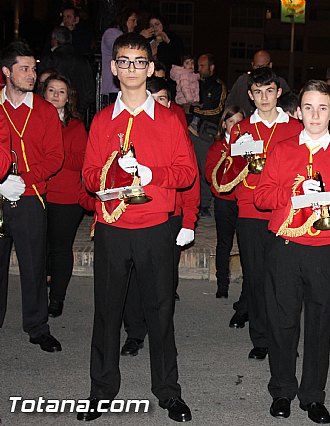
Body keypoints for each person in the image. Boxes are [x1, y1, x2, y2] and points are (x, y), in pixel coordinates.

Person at [80, 33, 197, 422]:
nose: (132, 68)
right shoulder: (100, 121)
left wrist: (152, 172)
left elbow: (186, 173)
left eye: (139, 61)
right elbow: (89, 176)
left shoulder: (168, 119)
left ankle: (167, 391)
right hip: (113, 227)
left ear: (149, 67)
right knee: (107, 312)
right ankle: (101, 390)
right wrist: (114, 171)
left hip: (155, 228)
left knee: (160, 311)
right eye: (124, 61)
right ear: (114, 68)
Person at [254, 79, 330, 424]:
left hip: (323, 251)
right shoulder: (283, 150)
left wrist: (328, 204)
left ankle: (313, 395)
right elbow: (261, 197)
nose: (315, 114)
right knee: (283, 322)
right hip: (285, 247)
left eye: (322, 108)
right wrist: (292, 192)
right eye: (308, 107)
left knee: (319, 324)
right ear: (298, 111)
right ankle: (283, 389)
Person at [226, 67, 302, 359]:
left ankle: (285, 340)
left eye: (269, 91)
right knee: (256, 279)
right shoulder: (241, 130)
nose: (264, 98)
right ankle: (260, 338)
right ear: (250, 95)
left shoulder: (295, 128)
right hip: (250, 212)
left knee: (286, 281)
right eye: (258, 92)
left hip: (285, 212)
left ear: (279, 92)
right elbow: (232, 172)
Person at [120, 76, 199, 357]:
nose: (157, 104)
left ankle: (163, 339)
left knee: (163, 285)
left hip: (170, 217)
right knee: (131, 282)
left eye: (163, 98)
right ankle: (134, 333)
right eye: (152, 98)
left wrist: (189, 220)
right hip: (134, 214)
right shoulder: (128, 129)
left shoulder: (173, 128)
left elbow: (190, 180)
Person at [0, 41, 63, 352]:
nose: (31, 75)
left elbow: (55, 158)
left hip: (30, 197)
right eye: (24, 69)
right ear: (6, 72)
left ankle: (37, 327)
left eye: (33, 69)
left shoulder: (46, 111)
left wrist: (21, 180)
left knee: (34, 266)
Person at [40, 72, 87, 318]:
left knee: (60, 247)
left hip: (66, 197)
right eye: (51, 90)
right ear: (43, 93)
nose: (56, 96)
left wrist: (54, 154)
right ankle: (38, 293)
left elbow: (82, 160)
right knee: (38, 246)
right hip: (36, 192)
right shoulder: (33, 121)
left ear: (68, 98)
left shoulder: (76, 126)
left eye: (61, 92)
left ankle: (56, 298)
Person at [204, 105, 244, 299]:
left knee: (246, 244)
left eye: (239, 121)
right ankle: (222, 284)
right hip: (224, 201)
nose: (235, 125)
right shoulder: (217, 147)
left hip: (245, 201)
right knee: (224, 243)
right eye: (231, 121)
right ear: (224, 124)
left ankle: (249, 286)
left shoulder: (249, 144)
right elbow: (209, 174)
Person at [189, 53, 226, 217]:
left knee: (205, 168)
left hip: (207, 131)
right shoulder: (193, 82)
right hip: (190, 129)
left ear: (211, 68)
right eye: (198, 65)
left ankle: (204, 203)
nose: (199, 69)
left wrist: (193, 109)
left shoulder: (218, 86)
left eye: (202, 66)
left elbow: (216, 110)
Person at [39, 26, 95, 119]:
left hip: (51, 114)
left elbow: (40, 87)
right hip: (78, 113)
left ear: (54, 40)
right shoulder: (83, 61)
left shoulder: (50, 59)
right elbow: (90, 92)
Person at [100, 8, 153, 104]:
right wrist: (140, 37)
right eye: (132, 20)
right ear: (123, 20)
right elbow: (123, 49)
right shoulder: (111, 33)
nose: (135, 24)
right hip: (113, 89)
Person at [225, 50, 290, 116]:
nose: (264, 97)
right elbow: (230, 105)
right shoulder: (242, 82)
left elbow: (289, 106)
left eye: (269, 91)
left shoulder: (279, 82)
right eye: (257, 67)